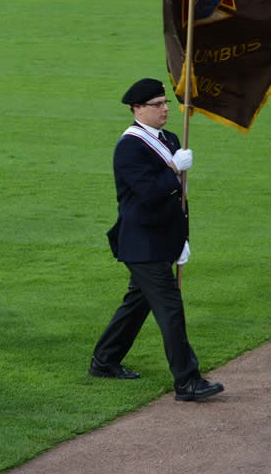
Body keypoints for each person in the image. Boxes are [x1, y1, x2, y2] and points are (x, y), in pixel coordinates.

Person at [89, 78, 224, 402]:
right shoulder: (129, 146)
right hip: (142, 243)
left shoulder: (171, 138)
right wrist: (172, 170)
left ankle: (104, 360)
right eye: (157, 105)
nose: (165, 109)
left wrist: (183, 239)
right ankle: (188, 381)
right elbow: (148, 193)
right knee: (170, 309)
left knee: (137, 304)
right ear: (138, 109)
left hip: (163, 239)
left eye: (165, 103)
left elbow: (180, 199)